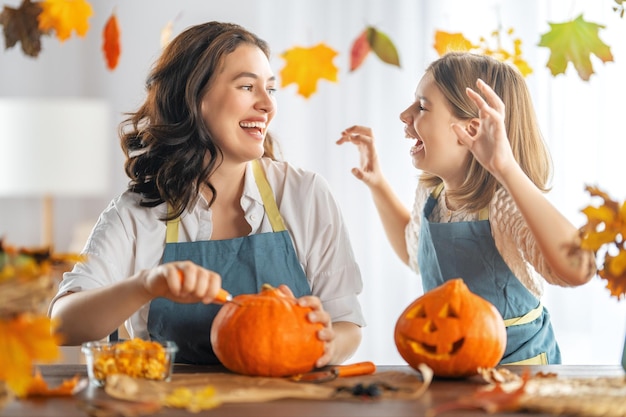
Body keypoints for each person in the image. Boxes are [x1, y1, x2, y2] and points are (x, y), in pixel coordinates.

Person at [49, 21, 365, 367]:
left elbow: (346, 323)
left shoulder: (305, 194)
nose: (267, 105)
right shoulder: (137, 212)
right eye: (247, 86)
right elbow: (63, 324)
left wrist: (322, 342)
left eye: (270, 90)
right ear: (194, 97)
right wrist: (146, 285)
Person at [336, 51, 596, 365]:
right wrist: (377, 182)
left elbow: (578, 270)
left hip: (519, 375)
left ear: (471, 131)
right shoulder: (432, 193)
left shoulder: (504, 205)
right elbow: (413, 254)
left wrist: (507, 169)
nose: (405, 115)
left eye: (421, 106)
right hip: (454, 368)